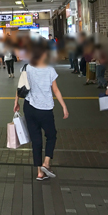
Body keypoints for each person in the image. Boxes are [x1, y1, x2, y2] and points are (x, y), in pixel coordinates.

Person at [14, 43, 68, 181]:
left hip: (29, 107)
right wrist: (64, 106)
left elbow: (20, 87)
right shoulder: (49, 70)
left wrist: (16, 103)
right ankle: (46, 163)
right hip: (45, 109)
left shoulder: (27, 68)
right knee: (51, 136)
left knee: (36, 139)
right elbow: (55, 90)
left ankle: (39, 172)